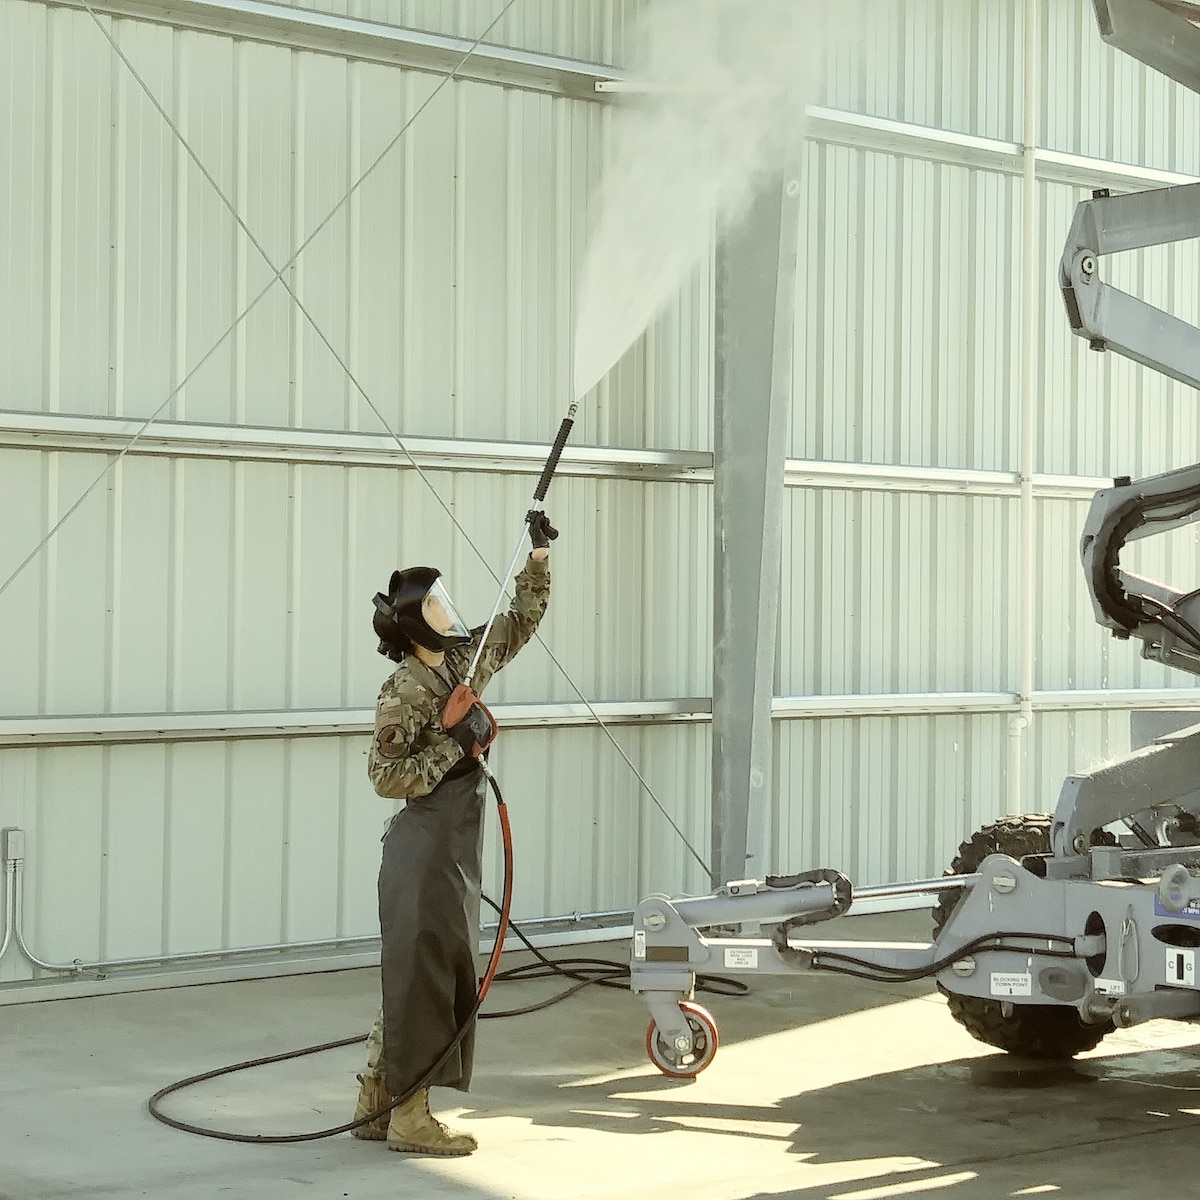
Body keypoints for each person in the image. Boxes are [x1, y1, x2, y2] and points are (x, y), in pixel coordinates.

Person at [350, 510, 555, 1156]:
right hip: (423, 848)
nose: (448, 605)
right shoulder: (405, 689)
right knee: (424, 976)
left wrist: (539, 559)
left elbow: (517, 623)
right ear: (416, 621)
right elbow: (385, 775)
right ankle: (412, 1116)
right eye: (436, 600)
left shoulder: (460, 665)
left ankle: (374, 1104)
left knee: (425, 972)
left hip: (455, 847)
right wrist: (452, 748)